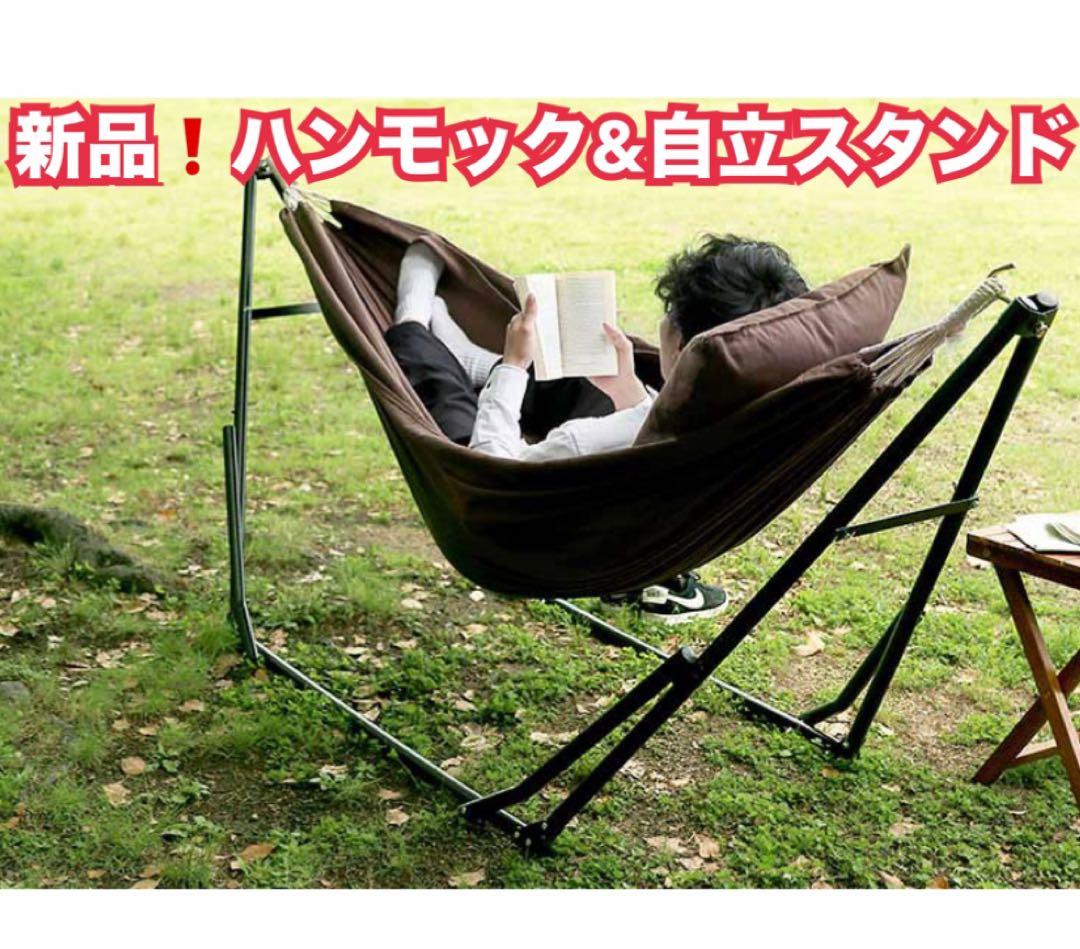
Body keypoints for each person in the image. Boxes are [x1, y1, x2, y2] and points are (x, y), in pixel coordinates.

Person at [385, 234, 809, 623]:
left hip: (518, 535)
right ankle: (471, 360)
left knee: (449, 407)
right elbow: (658, 433)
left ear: (682, 345)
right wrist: (626, 389)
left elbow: (490, 475)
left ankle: (414, 325)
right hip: (636, 536)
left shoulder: (589, 439)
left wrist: (513, 365)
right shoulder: (760, 420)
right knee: (581, 381)